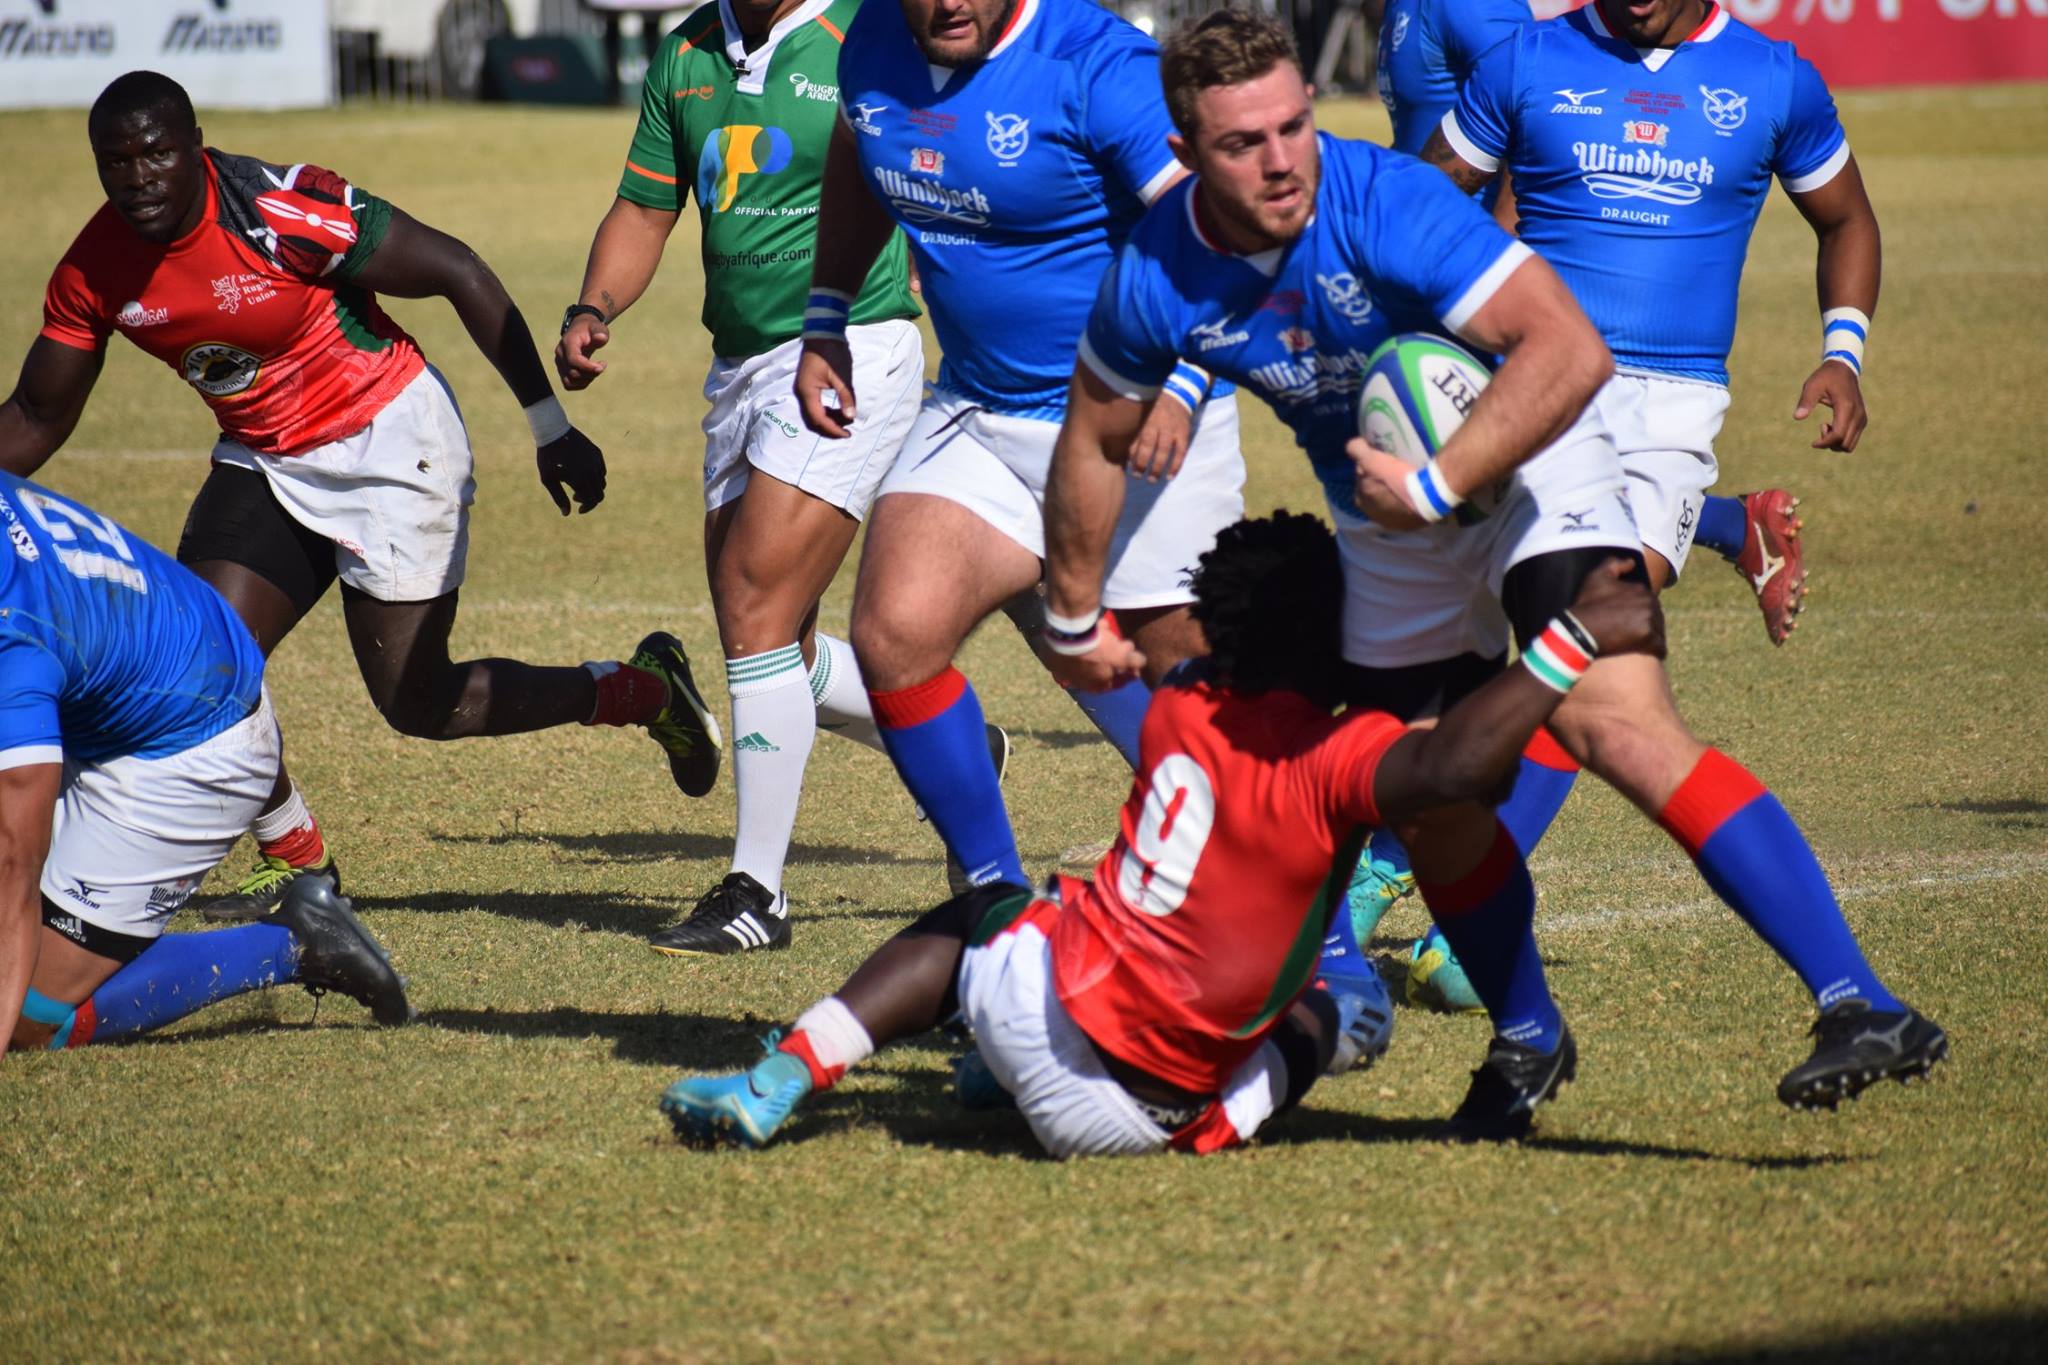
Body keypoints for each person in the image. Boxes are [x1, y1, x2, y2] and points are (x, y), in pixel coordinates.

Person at [1044, 10, 1945, 1111]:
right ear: (1184, 156)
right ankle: (1525, 1038)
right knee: (1424, 794)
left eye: (1294, 127)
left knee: (1616, 725)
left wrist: (1438, 478)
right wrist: (1070, 609)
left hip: (1534, 468)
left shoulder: (1384, 202)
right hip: (1390, 525)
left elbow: (1568, 348)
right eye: (1244, 144)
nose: (1282, 161)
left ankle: (1858, 1001)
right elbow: (1092, 433)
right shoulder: (1154, 271)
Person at [657, 512, 1666, 1154]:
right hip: (1140, 1117)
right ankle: (1238, 1116)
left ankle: (784, 1071)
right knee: (1342, 1015)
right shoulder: (1339, 755)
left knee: (985, 911)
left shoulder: (1180, 702)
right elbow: (1454, 767)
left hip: (1033, 1012)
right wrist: (1568, 639)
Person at [0, 71, 720, 923]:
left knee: (421, 702)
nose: (137, 177)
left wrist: (549, 425)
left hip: (389, 442)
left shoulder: (279, 210)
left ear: (196, 148)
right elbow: (40, 415)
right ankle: (298, 859)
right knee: (199, 653)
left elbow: (458, 268)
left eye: (156, 153)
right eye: (115, 161)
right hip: (264, 459)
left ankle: (644, 689)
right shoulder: (93, 267)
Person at [1387, 0, 1872, 1000]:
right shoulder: (1526, 59)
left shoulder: (1773, 80)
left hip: (1664, 411)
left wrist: (1841, 354)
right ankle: (1419, 899)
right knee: (1485, 662)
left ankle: (1419, 899)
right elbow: (1422, 196)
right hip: (1530, 381)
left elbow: (1844, 218)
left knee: (1576, 653)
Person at [791, 0, 1249, 895]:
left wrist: (1186, 389)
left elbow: (1222, 232)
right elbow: (859, 150)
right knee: (894, 634)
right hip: (983, 408)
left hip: (1136, 416)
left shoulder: (1098, 65)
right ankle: (998, 907)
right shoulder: (873, 45)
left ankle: (1327, 957)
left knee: (1208, 722)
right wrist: (824, 320)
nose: (950, 3)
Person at [556, 0, 944, 956]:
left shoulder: (870, 30)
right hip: (740, 367)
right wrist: (594, 303)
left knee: (751, 601)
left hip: (855, 343)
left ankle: (757, 893)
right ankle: (948, 740)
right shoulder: (686, 52)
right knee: (777, 637)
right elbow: (649, 204)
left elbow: (940, 158)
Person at [1, 472, 409, 1059]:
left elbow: (14, 860)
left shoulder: (12, 637)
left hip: (192, 750)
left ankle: (294, 943)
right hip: (136, 682)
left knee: (27, 1017)